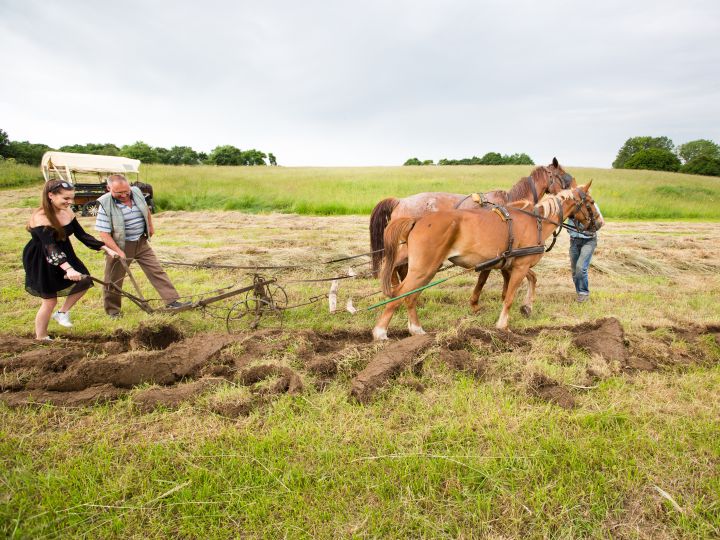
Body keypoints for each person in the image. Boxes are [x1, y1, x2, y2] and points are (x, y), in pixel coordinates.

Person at [23, 180, 119, 340]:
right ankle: (41, 337)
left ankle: (62, 313)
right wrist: (68, 269)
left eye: (71, 198)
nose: (70, 202)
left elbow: (81, 235)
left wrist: (105, 247)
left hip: (64, 252)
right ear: (51, 195)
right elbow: (50, 247)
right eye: (66, 198)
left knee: (84, 281)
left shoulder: (67, 212)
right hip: (42, 258)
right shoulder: (40, 218)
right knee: (49, 300)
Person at [95, 174, 189, 317]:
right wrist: (117, 251)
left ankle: (172, 301)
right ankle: (113, 311)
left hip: (141, 242)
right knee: (113, 279)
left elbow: (145, 209)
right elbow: (104, 234)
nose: (124, 195)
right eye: (118, 192)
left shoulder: (136, 192)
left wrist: (150, 226)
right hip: (120, 245)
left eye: (126, 191)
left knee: (156, 270)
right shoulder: (105, 205)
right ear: (108, 188)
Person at [566, 200, 605, 303]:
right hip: (574, 241)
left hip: (589, 241)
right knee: (575, 271)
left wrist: (593, 226)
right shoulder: (570, 207)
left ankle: (584, 293)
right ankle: (579, 292)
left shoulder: (592, 206)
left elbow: (602, 222)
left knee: (580, 267)